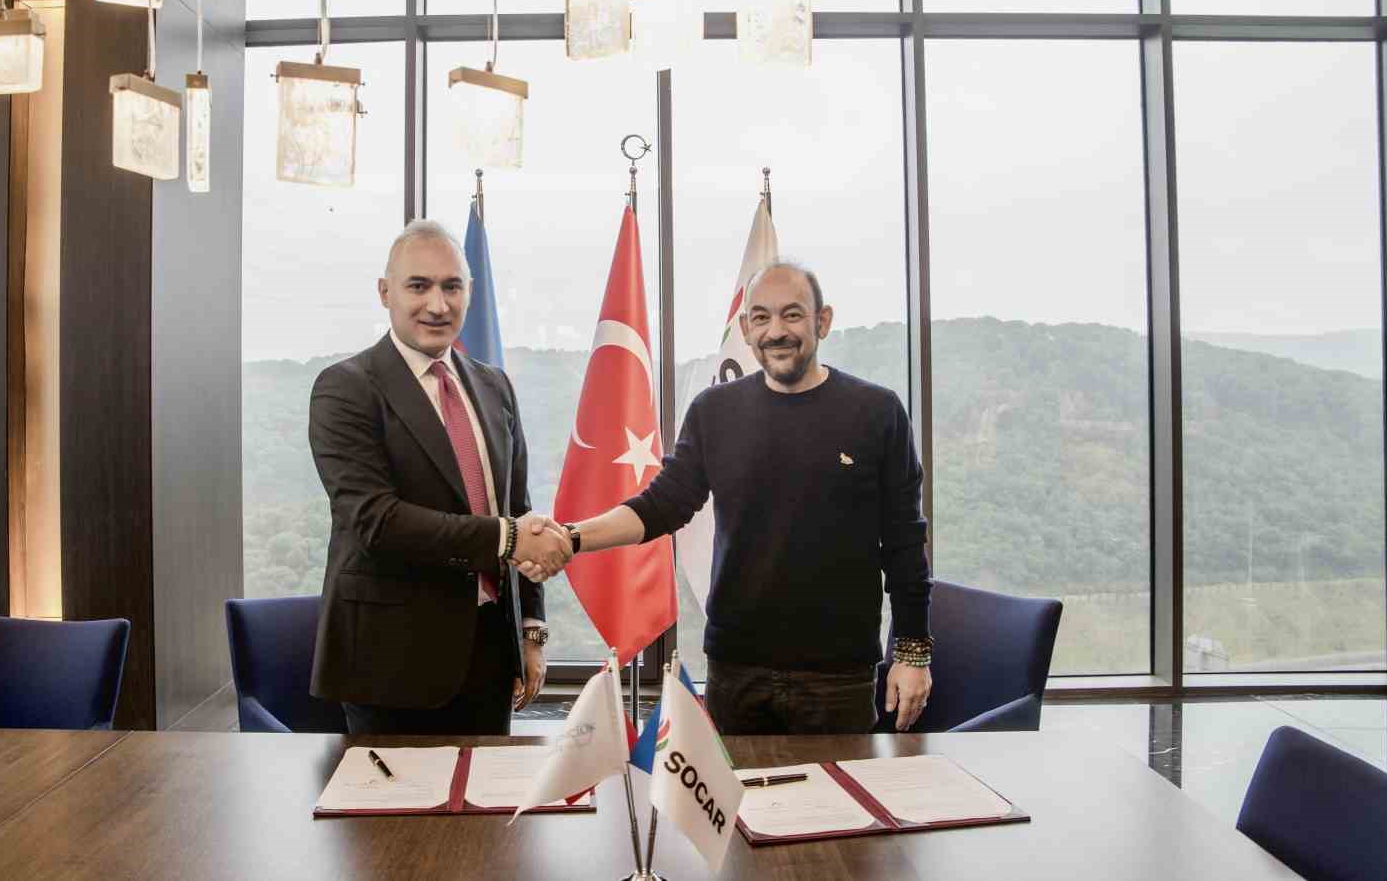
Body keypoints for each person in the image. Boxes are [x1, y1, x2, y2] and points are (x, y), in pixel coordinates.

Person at [521, 260, 933, 733]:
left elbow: (905, 543)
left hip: (838, 678)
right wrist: (570, 537)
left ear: (822, 321)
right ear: (745, 328)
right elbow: (660, 507)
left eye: (792, 314)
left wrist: (912, 653)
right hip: (735, 672)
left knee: (836, 787)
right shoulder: (713, 411)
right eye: (761, 317)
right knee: (733, 786)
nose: (776, 331)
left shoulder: (877, 412)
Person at [308, 220, 573, 734]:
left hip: (491, 656)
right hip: (391, 665)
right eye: (419, 286)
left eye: (452, 287)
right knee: (396, 793)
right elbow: (377, 521)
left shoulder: (494, 386)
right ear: (385, 292)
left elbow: (517, 510)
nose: (437, 304)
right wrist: (509, 538)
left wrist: (531, 630)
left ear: (469, 292)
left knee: (489, 789)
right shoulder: (345, 389)